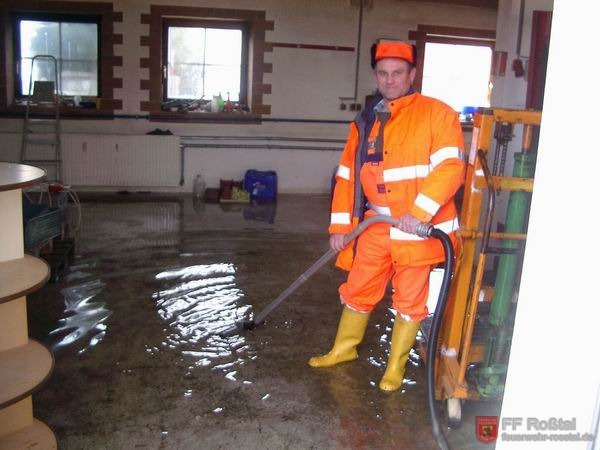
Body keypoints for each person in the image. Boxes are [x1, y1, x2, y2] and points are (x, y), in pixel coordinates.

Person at [308, 40, 466, 391]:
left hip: (418, 230)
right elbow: (347, 175)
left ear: (412, 74)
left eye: (398, 73)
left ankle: (394, 368)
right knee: (358, 289)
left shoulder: (438, 114)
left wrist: (418, 212)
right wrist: (340, 227)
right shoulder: (366, 120)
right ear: (376, 75)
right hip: (376, 225)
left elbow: (451, 168)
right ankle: (343, 349)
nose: (390, 80)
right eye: (383, 73)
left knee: (410, 300)